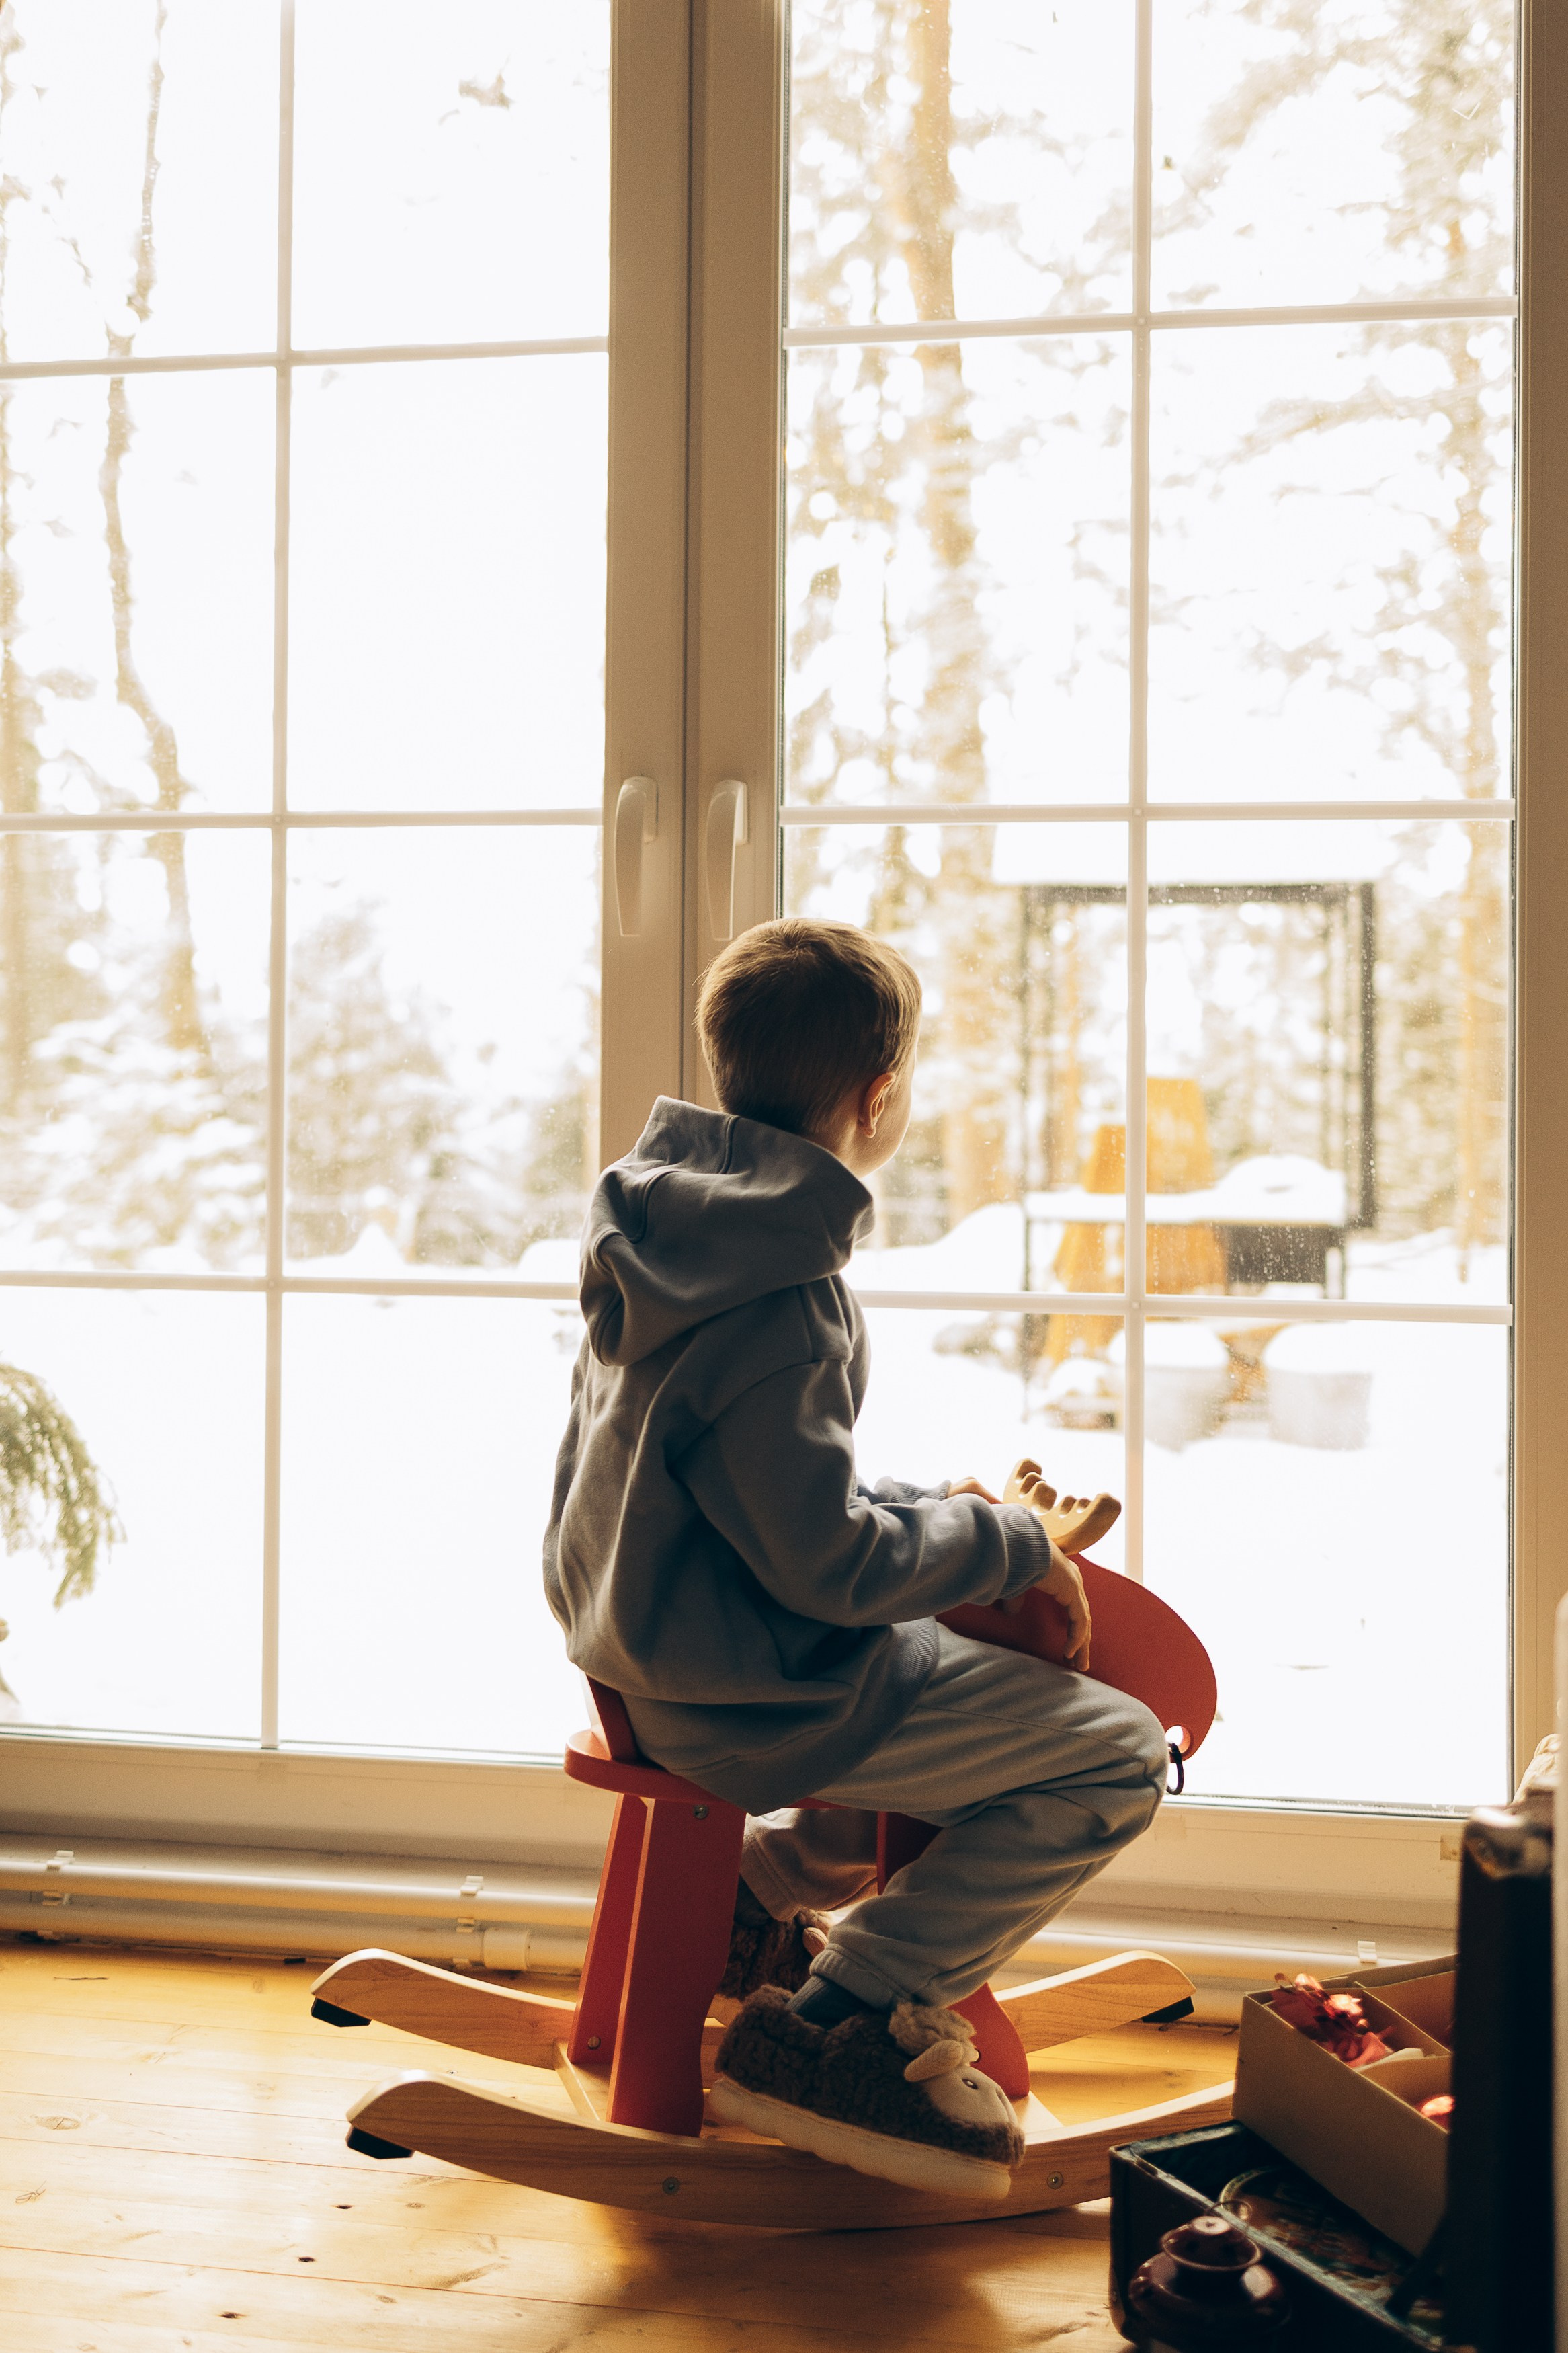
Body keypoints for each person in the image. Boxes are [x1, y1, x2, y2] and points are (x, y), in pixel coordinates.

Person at [544, 916, 1168, 2198]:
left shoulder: (670, 1229)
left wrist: (936, 1513)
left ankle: (759, 1890)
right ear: (879, 1096)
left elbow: (745, 1488)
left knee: (945, 1667)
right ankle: (847, 2018)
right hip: (750, 1697)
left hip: (660, 1645)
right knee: (1110, 1751)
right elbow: (823, 1564)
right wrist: (1006, 1544)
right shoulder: (785, 1288)